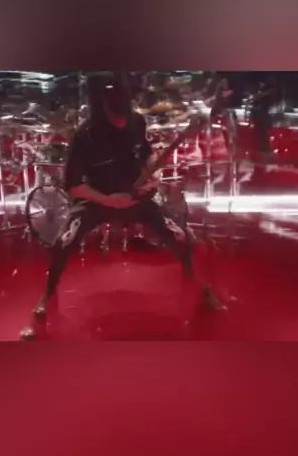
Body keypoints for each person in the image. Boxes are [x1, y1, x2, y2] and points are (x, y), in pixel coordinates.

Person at [21, 72, 194, 335]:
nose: (122, 122)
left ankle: (196, 281)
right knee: (62, 243)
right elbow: (73, 185)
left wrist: (154, 175)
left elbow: (147, 154)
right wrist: (107, 200)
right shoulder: (85, 136)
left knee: (181, 237)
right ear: (101, 107)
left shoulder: (137, 122)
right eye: (116, 116)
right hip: (97, 201)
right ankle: (47, 294)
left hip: (137, 199)